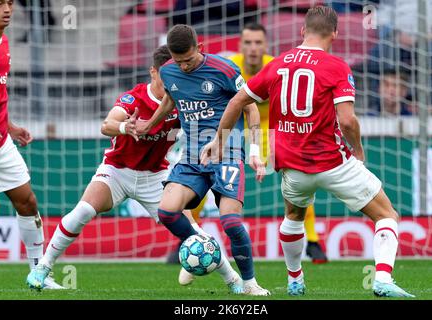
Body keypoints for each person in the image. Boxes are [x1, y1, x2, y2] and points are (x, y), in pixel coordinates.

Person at [201, 6, 414, 298]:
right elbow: (348, 120)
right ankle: (382, 279)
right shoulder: (337, 66)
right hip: (333, 163)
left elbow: (237, 100)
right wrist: (359, 150)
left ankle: (295, 279)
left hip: (291, 165)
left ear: (302, 31)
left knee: (293, 217)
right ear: (335, 34)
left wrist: (218, 141)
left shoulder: (277, 63)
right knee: (387, 214)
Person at [26, 45, 241, 291]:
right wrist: (124, 127)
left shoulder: (182, 101)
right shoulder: (134, 98)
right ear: (153, 72)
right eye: (167, 74)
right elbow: (107, 124)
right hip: (117, 171)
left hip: (156, 176)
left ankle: (234, 281)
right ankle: (42, 269)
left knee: (192, 231)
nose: (174, 79)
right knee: (83, 211)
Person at [138, 24, 270, 296]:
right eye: (179, 61)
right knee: (167, 211)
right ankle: (202, 247)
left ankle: (249, 284)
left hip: (228, 152)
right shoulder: (169, 71)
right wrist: (147, 125)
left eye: (189, 60)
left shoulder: (224, 70)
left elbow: (251, 108)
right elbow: (169, 102)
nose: (184, 67)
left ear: (200, 48)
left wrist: (255, 152)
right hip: (193, 155)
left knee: (231, 223)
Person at [229, 22, 328, 263]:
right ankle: (189, 232)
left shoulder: (279, 66)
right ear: (241, 46)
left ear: (265, 45)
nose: (253, 48)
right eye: (248, 43)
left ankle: (312, 240)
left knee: (299, 175)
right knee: (207, 166)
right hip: (237, 127)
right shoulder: (231, 67)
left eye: (258, 43)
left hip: (271, 127)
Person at [0, 0, 62, 289]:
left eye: (10, 3)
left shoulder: (4, 42)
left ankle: (38, 273)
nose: (7, 9)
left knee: (27, 201)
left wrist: (11, 127)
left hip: (1, 143)